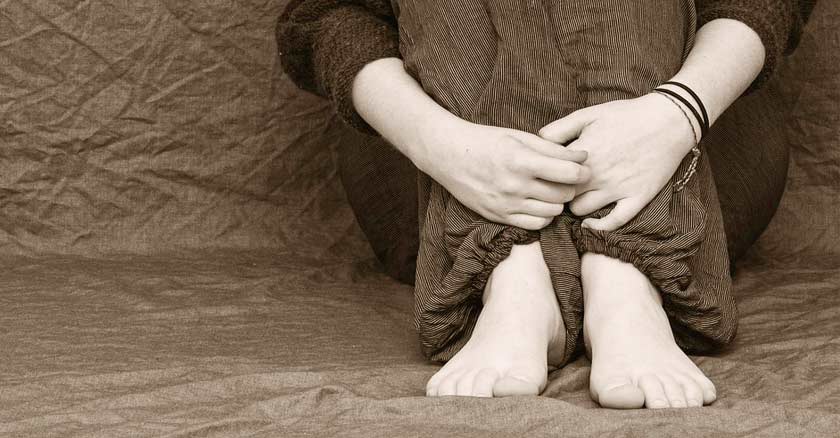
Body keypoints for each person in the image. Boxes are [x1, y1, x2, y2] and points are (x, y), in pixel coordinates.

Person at [277, 0, 815, 409]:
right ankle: (510, 269)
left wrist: (679, 112)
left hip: (696, 140)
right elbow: (326, 13)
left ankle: (628, 273)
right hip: (428, 158)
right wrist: (441, 143)